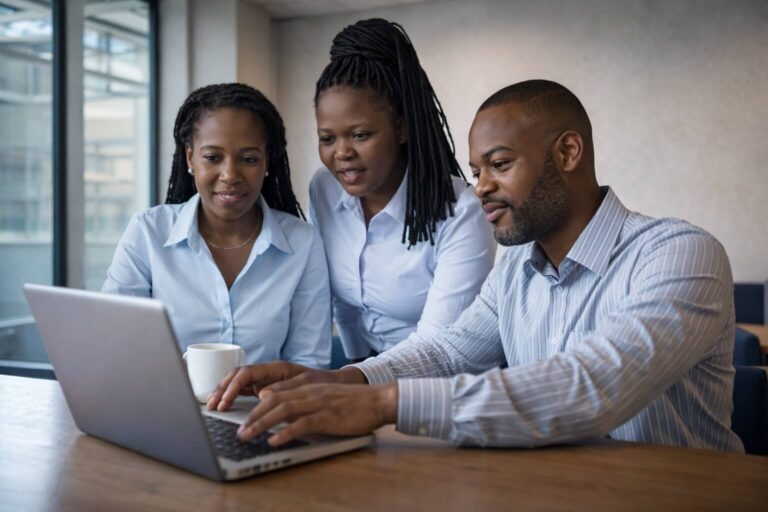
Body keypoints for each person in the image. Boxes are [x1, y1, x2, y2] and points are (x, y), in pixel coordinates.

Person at [208, 79, 743, 453]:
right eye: (476, 169)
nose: (481, 186)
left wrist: (384, 404)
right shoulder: (515, 271)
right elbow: (448, 351)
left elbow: (594, 387)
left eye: (500, 164)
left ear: (568, 152)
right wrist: (343, 380)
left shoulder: (679, 253)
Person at [103, 83, 332, 368]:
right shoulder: (148, 232)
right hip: (164, 407)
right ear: (190, 158)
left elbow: (308, 362)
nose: (230, 175)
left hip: (266, 409)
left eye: (248, 159)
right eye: (212, 157)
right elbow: (116, 344)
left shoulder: (303, 243)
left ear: (266, 162)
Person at [308, 18, 496, 360]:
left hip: (440, 386)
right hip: (364, 374)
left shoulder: (462, 213)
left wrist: (350, 386)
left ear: (402, 129)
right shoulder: (325, 189)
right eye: (327, 138)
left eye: (361, 135)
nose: (342, 153)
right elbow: (341, 304)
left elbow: (435, 350)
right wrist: (354, 362)